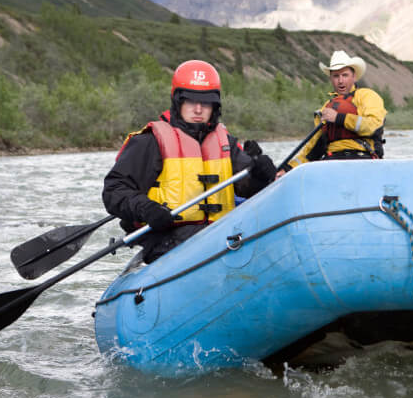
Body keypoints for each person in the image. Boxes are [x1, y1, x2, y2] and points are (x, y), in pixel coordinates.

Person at [103, 59, 277, 263]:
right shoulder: (150, 142)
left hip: (222, 235)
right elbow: (114, 190)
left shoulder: (225, 143)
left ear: (215, 106)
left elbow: (247, 190)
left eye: (206, 103)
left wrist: (260, 176)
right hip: (167, 240)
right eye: (191, 101)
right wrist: (146, 209)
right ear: (178, 101)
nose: (198, 109)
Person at [277, 50, 387, 175]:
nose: (340, 81)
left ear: (354, 77)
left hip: (362, 158)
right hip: (331, 161)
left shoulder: (367, 96)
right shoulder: (326, 108)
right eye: (336, 76)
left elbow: (374, 126)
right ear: (331, 78)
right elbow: (312, 150)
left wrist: (339, 118)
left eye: (345, 75)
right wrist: (288, 169)